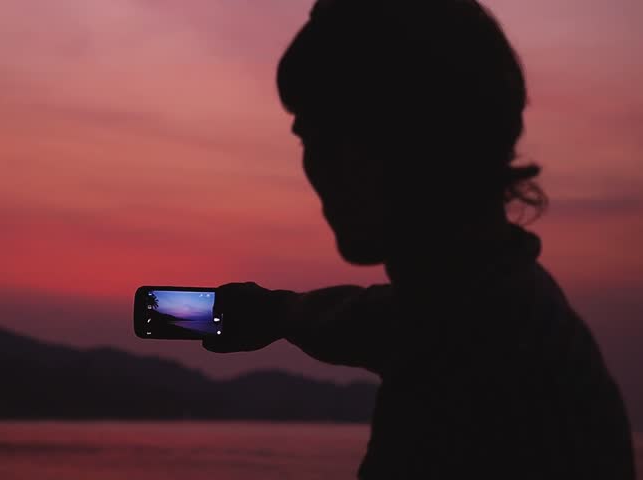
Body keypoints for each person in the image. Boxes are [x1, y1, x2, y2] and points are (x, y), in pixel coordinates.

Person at [202, 0, 636, 478]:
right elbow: (369, 319)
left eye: (336, 135)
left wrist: (277, 314)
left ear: (419, 138)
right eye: (310, 139)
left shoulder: (466, 370)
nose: (321, 167)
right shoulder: (485, 300)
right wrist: (276, 314)